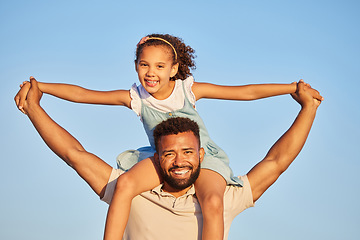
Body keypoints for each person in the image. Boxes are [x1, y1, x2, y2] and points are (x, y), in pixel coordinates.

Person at [15, 34, 323, 240]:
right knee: (124, 185)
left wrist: (293, 89)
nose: (151, 72)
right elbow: (83, 97)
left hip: (209, 161)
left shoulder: (188, 90)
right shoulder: (135, 98)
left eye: (160, 66)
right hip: (155, 154)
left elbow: (246, 93)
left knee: (214, 200)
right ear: (135, 66)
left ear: (174, 68)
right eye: (144, 65)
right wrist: (40, 87)